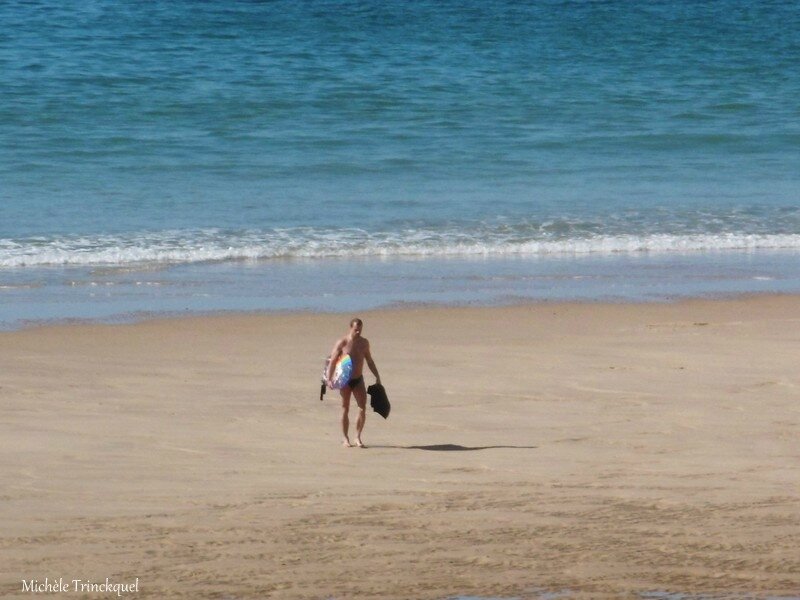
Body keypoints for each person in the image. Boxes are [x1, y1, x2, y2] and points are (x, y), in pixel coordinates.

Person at [326, 318, 380, 448]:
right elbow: (333, 361)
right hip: (345, 380)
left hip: (358, 379)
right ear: (350, 328)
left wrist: (377, 376)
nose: (358, 331)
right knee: (345, 408)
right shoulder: (343, 343)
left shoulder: (364, 343)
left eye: (360, 329)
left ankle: (357, 437)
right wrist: (329, 378)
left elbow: (370, 361)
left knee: (362, 407)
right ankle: (345, 438)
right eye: (356, 329)